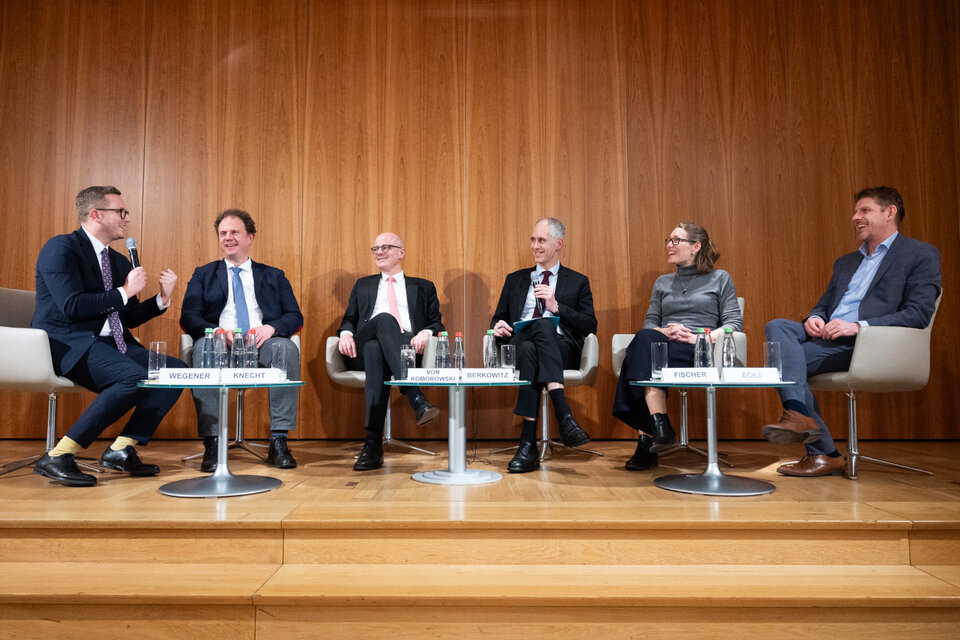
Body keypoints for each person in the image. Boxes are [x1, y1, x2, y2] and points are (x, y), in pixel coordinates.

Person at [762, 186, 941, 477]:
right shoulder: (846, 262)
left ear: (890, 212)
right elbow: (822, 306)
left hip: (869, 344)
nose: (855, 217)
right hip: (828, 338)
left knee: (781, 362)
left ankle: (820, 446)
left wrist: (858, 327)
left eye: (864, 210)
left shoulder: (919, 254)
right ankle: (807, 427)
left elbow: (918, 314)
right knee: (777, 326)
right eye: (856, 211)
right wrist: (814, 319)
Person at [31, 185, 186, 487]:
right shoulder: (61, 248)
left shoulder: (117, 261)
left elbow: (126, 317)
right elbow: (72, 306)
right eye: (121, 212)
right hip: (68, 342)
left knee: (175, 371)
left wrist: (160, 300)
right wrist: (125, 291)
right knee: (133, 377)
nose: (127, 219)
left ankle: (121, 449)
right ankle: (60, 454)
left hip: (112, 343)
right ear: (96, 214)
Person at [180, 209, 303, 471]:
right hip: (220, 342)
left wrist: (270, 328)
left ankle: (279, 441)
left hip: (261, 343)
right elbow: (189, 316)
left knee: (286, 348)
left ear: (250, 237)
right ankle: (212, 443)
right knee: (204, 348)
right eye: (223, 233)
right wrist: (216, 332)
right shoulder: (204, 274)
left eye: (234, 232)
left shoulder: (273, 275)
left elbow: (294, 316)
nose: (228, 238)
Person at [612, 223, 742, 470]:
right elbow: (650, 323)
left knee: (638, 358)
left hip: (698, 350)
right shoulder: (662, 282)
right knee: (645, 339)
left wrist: (698, 338)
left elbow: (733, 324)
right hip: (663, 344)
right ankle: (659, 425)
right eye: (668, 240)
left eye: (675, 240)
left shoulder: (720, 278)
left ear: (695, 246)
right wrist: (667, 330)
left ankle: (649, 438)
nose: (669, 245)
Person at [491, 218, 597, 473]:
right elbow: (498, 318)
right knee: (533, 335)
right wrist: (497, 327)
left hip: (561, 348)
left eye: (541, 240)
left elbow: (590, 325)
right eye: (533, 239)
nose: (535, 246)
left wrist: (556, 307)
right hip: (518, 343)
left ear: (558, 244)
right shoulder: (515, 279)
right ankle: (564, 414)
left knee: (540, 330)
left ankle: (527, 443)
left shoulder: (577, 281)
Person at [338, 232, 444, 471]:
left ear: (401, 253)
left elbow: (437, 323)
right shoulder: (363, 284)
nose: (379, 252)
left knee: (378, 349)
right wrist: (345, 333)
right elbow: (350, 319)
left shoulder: (423, 286)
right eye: (375, 248)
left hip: (406, 348)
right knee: (383, 321)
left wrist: (426, 333)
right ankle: (415, 396)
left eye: (386, 247)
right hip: (361, 348)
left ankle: (372, 445)